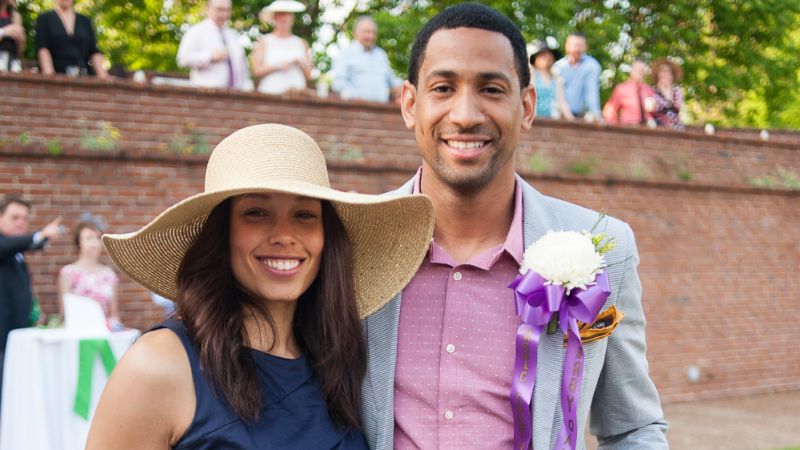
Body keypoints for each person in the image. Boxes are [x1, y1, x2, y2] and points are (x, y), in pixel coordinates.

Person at [360, 4, 668, 449]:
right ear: (411, 103)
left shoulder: (606, 251)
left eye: (491, 89)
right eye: (443, 87)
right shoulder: (352, 241)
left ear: (526, 106)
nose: (465, 114)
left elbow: (632, 428)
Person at [85, 124, 434, 449]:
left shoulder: (338, 359)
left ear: (327, 237)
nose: (284, 235)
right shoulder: (161, 364)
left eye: (305, 215)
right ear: (222, 233)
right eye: (256, 213)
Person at [0, 195, 62, 392]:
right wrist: (39, 234)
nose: (21, 222)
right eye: (15, 217)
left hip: (16, 335)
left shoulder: (16, 251)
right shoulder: (5, 245)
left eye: (25, 218)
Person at [57, 218, 122, 329]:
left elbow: (114, 314)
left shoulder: (109, 275)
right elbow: (64, 312)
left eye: (98, 238)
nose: (95, 242)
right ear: (79, 243)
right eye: (89, 238)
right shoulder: (68, 273)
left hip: (103, 334)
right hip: (78, 333)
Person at [176, 0, 252, 90]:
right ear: (208, 9)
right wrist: (210, 56)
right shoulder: (196, 31)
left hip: (234, 96)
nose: (225, 14)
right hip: (206, 94)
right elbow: (183, 59)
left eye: (228, 10)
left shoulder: (233, 35)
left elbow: (242, 68)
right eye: (220, 9)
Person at [331, 16, 402, 103]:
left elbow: (391, 78)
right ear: (355, 33)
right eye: (367, 32)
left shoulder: (381, 54)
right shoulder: (346, 54)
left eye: (374, 32)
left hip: (382, 110)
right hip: (354, 109)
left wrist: (400, 87)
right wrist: (354, 97)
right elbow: (338, 82)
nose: (371, 36)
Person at [35, 0, 109, 78]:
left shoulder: (85, 21)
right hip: (57, 75)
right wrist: (50, 77)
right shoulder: (45, 19)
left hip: (83, 76)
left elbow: (94, 51)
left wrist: (104, 77)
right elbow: (43, 48)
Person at [251, 0, 312, 95]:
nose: (284, 18)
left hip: (297, 96)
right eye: (280, 15)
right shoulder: (264, 41)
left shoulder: (301, 43)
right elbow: (256, 71)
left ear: (292, 18)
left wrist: (300, 63)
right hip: (270, 94)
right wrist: (277, 66)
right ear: (274, 18)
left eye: (287, 15)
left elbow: (309, 75)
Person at [553, 32, 601, 121]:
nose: (576, 48)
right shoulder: (557, 67)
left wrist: (597, 117)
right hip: (559, 116)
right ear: (566, 46)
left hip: (582, 117)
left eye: (580, 45)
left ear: (586, 47)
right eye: (573, 45)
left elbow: (592, 92)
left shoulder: (592, 66)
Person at [528, 40, 573, 120]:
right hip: (533, 119)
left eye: (549, 56)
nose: (547, 58)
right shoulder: (530, 76)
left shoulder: (557, 79)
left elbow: (562, 102)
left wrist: (571, 120)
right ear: (535, 59)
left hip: (552, 120)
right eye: (543, 56)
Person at [602, 59, 655, 126]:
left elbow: (653, 111)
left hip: (648, 128)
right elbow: (609, 112)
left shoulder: (649, 89)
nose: (640, 72)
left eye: (642, 70)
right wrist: (616, 127)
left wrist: (654, 108)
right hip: (629, 127)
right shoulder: (621, 88)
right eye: (637, 69)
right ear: (631, 70)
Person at [651, 58, 684, 130]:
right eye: (660, 71)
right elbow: (652, 109)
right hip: (658, 129)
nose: (662, 74)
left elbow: (678, 106)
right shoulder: (653, 91)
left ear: (671, 75)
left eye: (666, 71)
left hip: (677, 128)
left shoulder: (677, 90)